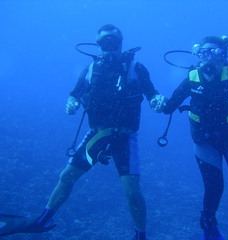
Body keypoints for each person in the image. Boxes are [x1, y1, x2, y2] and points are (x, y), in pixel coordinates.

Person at [28, 24, 166, 240]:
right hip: (97, 134)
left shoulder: (136, 68)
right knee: (67, 176)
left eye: (114, 43)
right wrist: (71, 104)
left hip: (125, 137)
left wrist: (157, 101)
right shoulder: (91, 69)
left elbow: (152, 94)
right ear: (98, 46)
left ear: (121, 45)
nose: (109, 49)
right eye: (104, 44)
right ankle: (44, 219)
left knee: (132, 191)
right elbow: (75, 94)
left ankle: (141, 236)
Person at [162, 35, 228, 240]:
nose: (208, 58)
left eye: (213, 53)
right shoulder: (192, 78)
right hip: (205, 142)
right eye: (203, 53)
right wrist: (158, 102)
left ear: (222, 56)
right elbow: (170, 106)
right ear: (199, 55)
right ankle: (208, 227)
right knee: (215, 187)